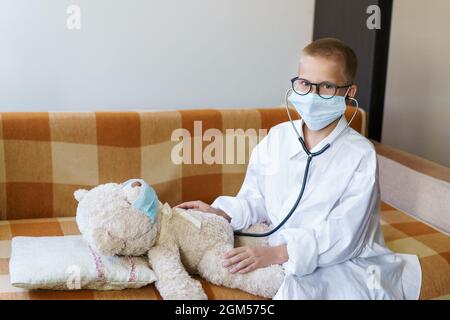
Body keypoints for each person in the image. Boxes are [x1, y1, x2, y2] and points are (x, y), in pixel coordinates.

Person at [176, 38, 421, 299]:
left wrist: (278, 254)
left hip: (340, 259)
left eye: (326, 86)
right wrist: (220, 211)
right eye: (305, 84)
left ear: (349, 93)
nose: (312, 96)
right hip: (283, 249)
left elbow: (345, 234)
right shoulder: (277, 138)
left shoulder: (360, 155)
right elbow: (257, 199)